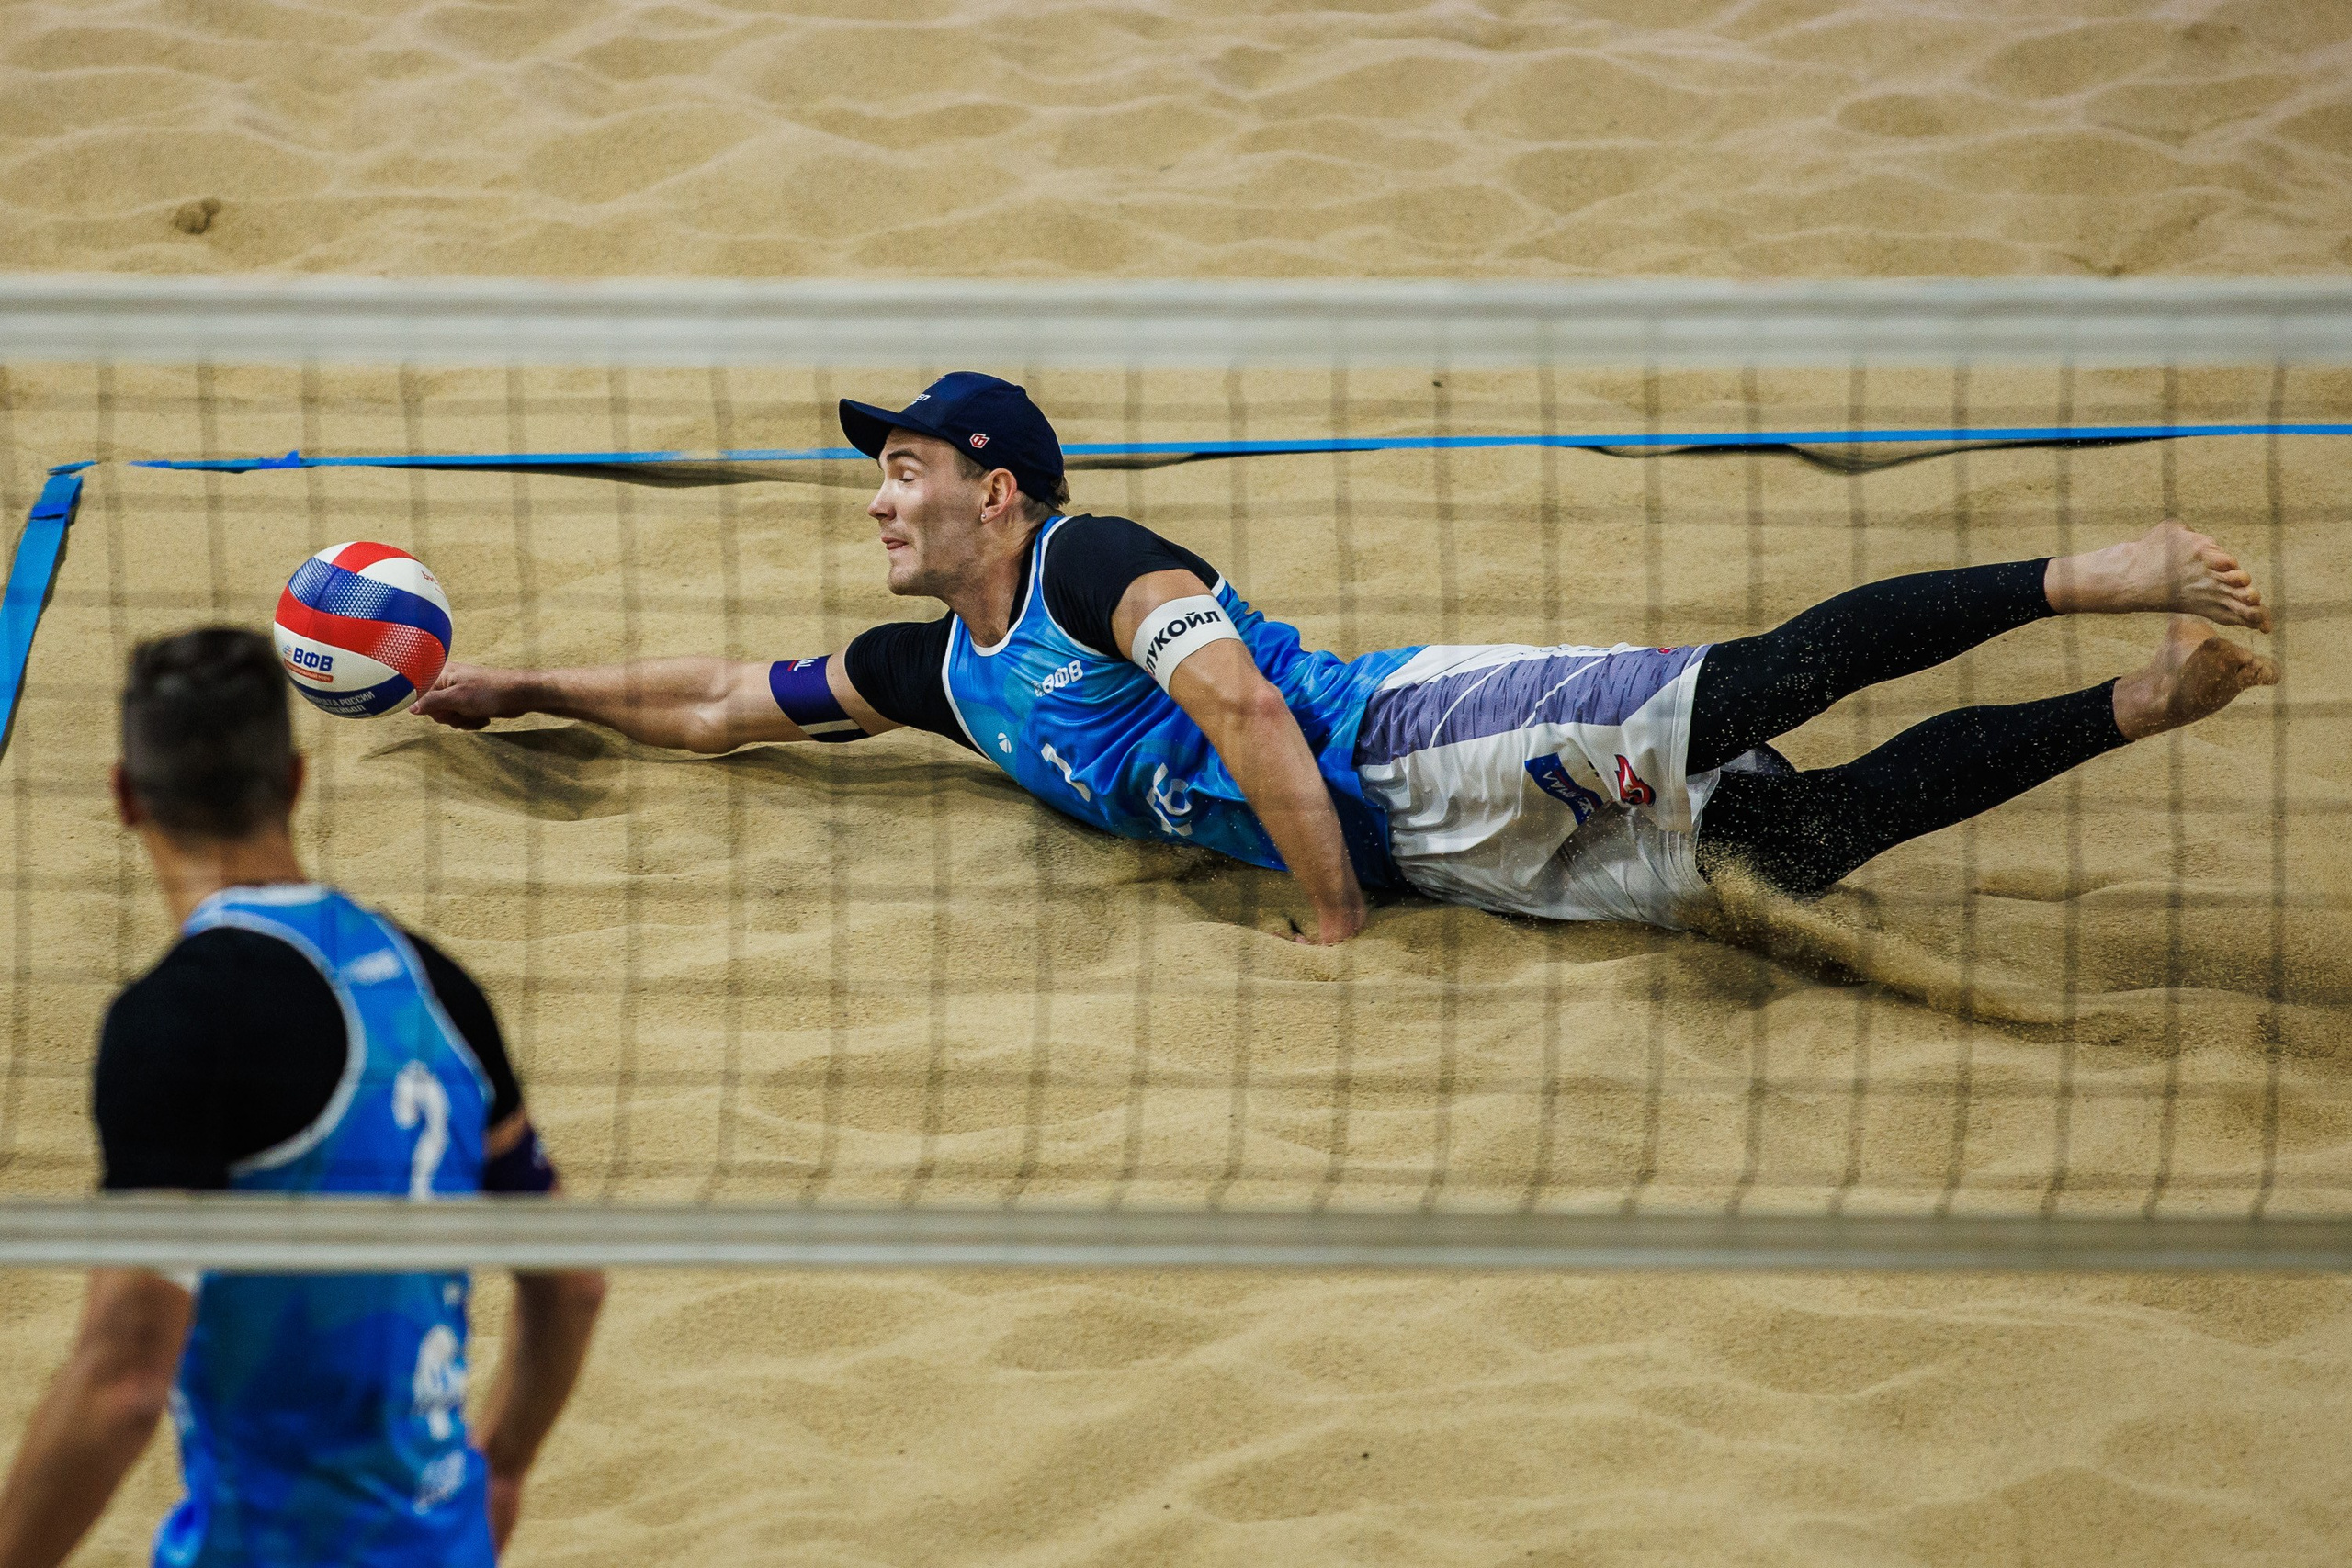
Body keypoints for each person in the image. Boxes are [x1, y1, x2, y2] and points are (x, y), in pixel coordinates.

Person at [413, 372, 2278, 941]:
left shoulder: (1089, 562)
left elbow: (1230, 699)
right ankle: (2142, 700)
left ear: (994, 481)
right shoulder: (941, 668)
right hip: (1444, 851)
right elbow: (734, 702)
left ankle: (2086, 573)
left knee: (1755, 686)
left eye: (898, 470)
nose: (876, 501)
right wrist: (531, 685)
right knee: (1786, 843)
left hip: (1408, 742)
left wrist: (1328, 914)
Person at [0, 628, 605, 1568]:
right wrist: (505, 1468)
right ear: (293, 779)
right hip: (445, 1542)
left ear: (124, 795)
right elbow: (571, 1284)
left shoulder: (176, 1022)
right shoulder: (433, 981)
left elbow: (122, 1382)